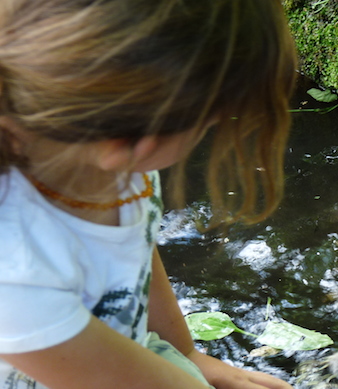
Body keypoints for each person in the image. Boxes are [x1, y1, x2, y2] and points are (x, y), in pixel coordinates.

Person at [0, 1, 296, 388]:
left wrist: (186, 353)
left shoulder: (104, 160)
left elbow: (133, 250)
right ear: (134, 142)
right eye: (210, 121)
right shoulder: (17, 268)